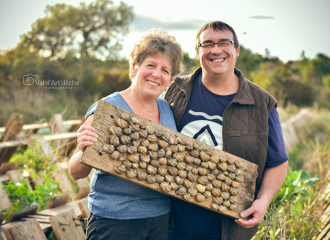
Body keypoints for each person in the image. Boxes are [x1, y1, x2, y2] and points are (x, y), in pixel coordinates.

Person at [165, 21, 289, 240]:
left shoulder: (262, 104)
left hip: (227, 230)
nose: (216, 50)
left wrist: (262, 201)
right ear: (198, 52)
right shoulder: (174, 90)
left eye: (224, 43)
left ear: (236, 50)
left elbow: (278, 162)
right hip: (169, 224)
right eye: (208, 44)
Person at [69, 29, 184, 240]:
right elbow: (76, 172)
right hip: (115, 221)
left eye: (165, 70)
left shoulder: (167, 109)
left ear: (170, 79)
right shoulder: (108, 108)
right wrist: (84, 147)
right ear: (134, 67)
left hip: (160, 220)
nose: (156, 74)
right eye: (150, 65)